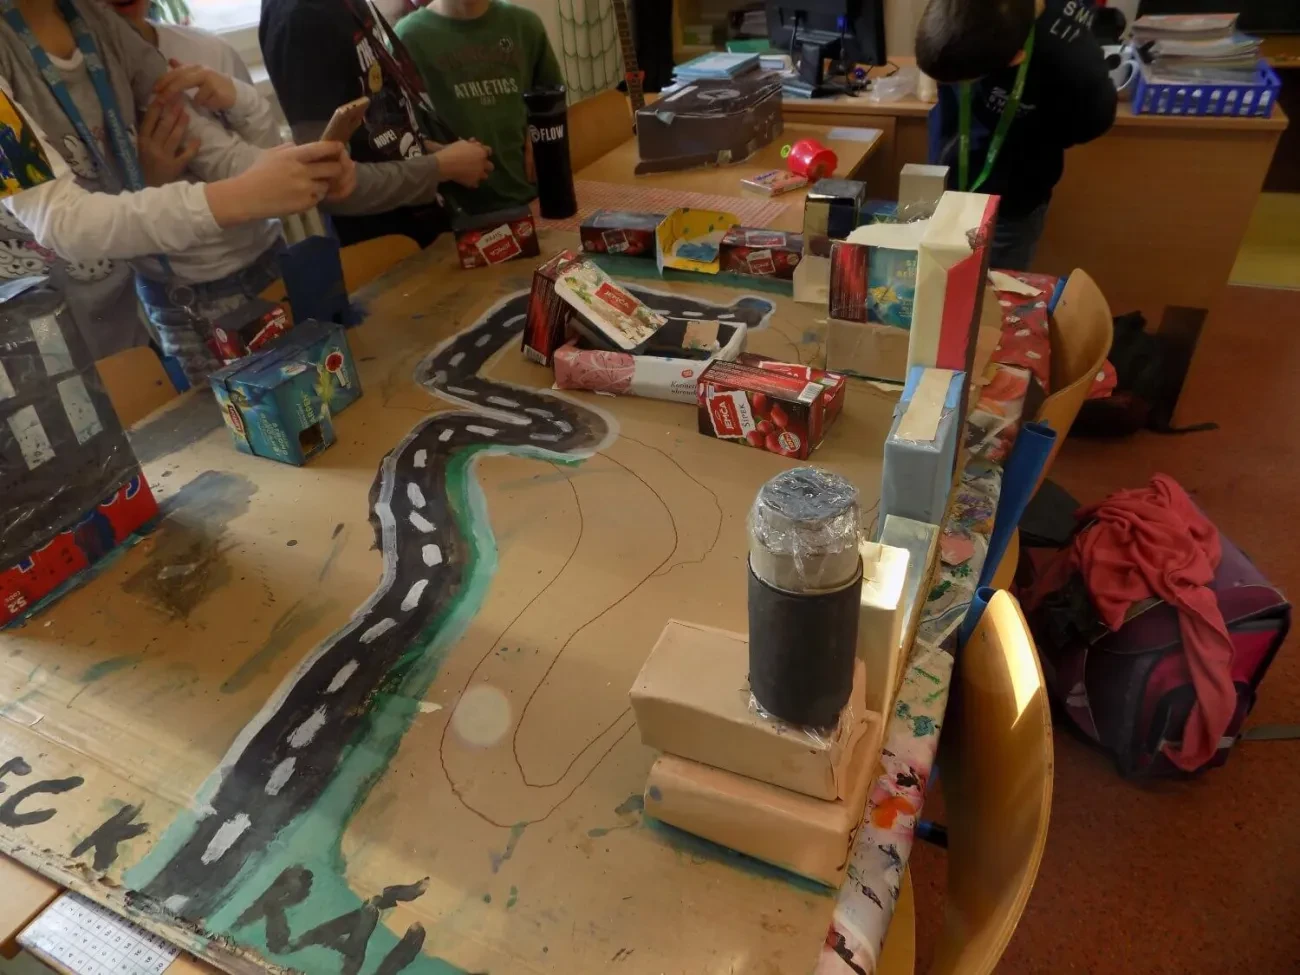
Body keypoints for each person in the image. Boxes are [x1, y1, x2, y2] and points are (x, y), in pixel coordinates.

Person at [0, 0, 353, 371]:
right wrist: (240, 195)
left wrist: (304, 168)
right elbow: (62, 221)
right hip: (32, 348)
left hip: (117, 324)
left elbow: (200, 138)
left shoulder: (96, 21)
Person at [101, 0, 292, 380]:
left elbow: (271, 170)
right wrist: (147, 183)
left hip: (268, 258)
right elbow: (98, 231)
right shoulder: (85, 89)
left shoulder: (207, 50)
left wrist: (240, 99)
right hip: (186, 297)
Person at [260, 0, 493, 247]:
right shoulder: (301, 20)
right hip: (382, 243)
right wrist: (441, 167)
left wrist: (434, 151)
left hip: (416, 225)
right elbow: (330, 185)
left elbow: (372, 131)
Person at [918, 0, 1116, 270]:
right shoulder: (968, 24)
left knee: (995, 282)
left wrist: (1033, 130)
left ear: (1015, 59)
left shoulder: (1072, 63)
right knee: (936, 275)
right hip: (949, 180)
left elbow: (1089, 125)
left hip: (1010, 202)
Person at [395, 0, 564, 215]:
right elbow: (398, 140)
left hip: (531, 201)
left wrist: (540, 130)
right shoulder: (406, 38)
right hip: (455, 216)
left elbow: (553, 100)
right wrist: (443, 160)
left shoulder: (526, 26)